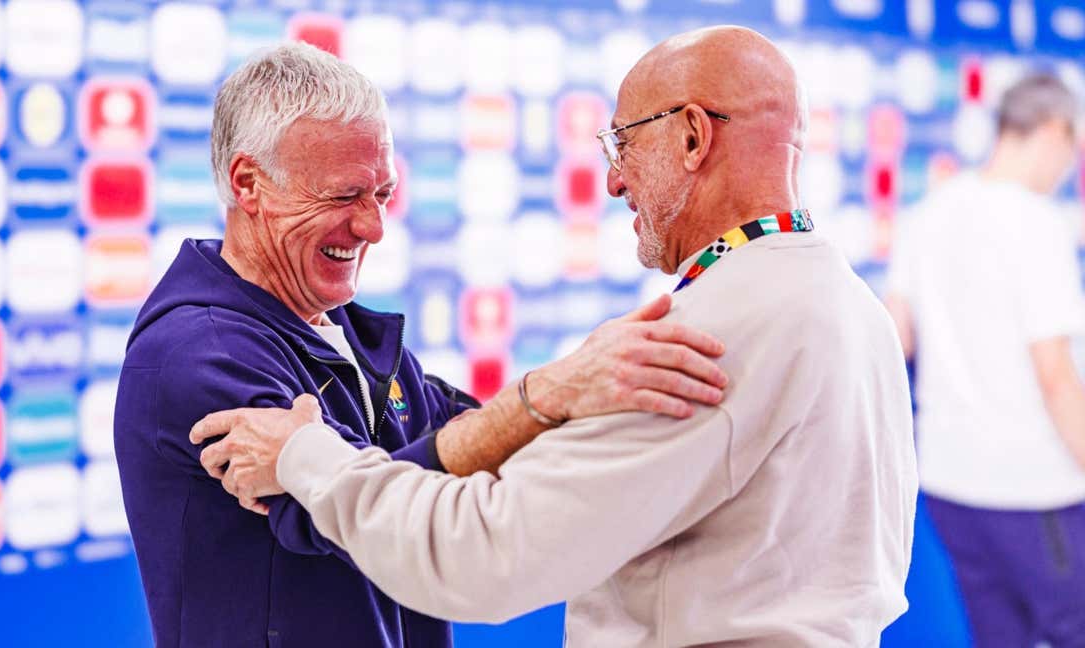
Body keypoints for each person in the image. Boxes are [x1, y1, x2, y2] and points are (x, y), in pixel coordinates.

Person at [193, 25, 918, 646]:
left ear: (693, 135)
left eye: (623, 143)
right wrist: (554, 394)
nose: (613, 181)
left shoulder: (703, 340)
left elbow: (477, 553)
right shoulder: (847, 304)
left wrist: (304, 458)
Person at [113, 42, 730, 647]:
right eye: (343, 195)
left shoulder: (350, 331)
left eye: (382, 193)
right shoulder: (198, 354)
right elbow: (371, 509)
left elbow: (481, 445)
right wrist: (551, 390)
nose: (374, 227)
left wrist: (604, 389)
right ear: (249, 184)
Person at [884, 74, 1085, 647]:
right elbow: (1056, 377)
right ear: (1053, 131)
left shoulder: (927, 213)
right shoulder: (1037, 222)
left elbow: (896, 339)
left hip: (950, 483)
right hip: (1034, 488)